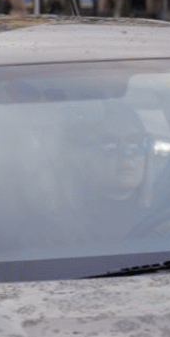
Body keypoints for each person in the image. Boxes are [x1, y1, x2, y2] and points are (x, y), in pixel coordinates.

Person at [55, 102, 155, 243]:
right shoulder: (62, 233)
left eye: (135, 142)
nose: (127, 153)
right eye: (110, 144)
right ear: (83, 157)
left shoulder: (169, 220)